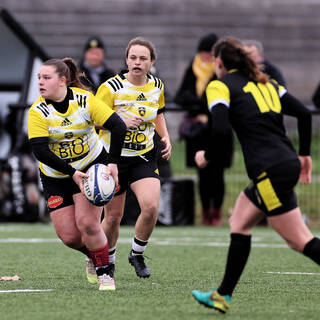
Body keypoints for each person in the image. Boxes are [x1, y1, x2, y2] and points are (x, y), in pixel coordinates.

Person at [191, 37, 318, 314]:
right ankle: (222, 296)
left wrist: (206, 156)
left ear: (219, 63)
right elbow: (306, 116)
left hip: (269, 171)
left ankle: (222, 295)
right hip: (283, 164)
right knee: (239, 221)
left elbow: (221, 130)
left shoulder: (219, 85)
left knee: (300, 241)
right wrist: (305, 154)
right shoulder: (267, 82)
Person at [28, 57, 126, 291]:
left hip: (92, 165)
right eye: (39, 78)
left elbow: (118, 126)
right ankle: (95, 254)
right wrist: (72, 173)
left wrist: (112, 163)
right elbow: (40, 151)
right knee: (69, 237)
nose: (40, 82)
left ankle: (105, 273)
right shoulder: (37, 111)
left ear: (62, 81)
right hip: (56, 175)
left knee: (88, 223)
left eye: (46, 78)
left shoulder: (85, 101)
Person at [86, 37, 171, 287]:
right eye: (133, 57)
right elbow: (94, 121)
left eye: (143, 58)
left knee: (151, 207)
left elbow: (159, 113)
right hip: (114, 157)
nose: (137, 62)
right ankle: (108, 262)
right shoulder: (111, 87)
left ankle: (136, 254)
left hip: (144, 155)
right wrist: (119, 122)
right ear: (126, 60)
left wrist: (165, 136)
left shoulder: (157, 85)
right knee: (113, 217)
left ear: (151, 62)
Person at [174, 33, 233, 226]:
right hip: (198, 132)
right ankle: (206, 211)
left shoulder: (224, 70)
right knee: (202, 173)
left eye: (209, 54)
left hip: (218, 131)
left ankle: (216, 211)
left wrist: (200, 106)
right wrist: (201, 108)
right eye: (202, 53)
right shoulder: (193, 68)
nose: (205, 58)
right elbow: (181, 96)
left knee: (217, 174)